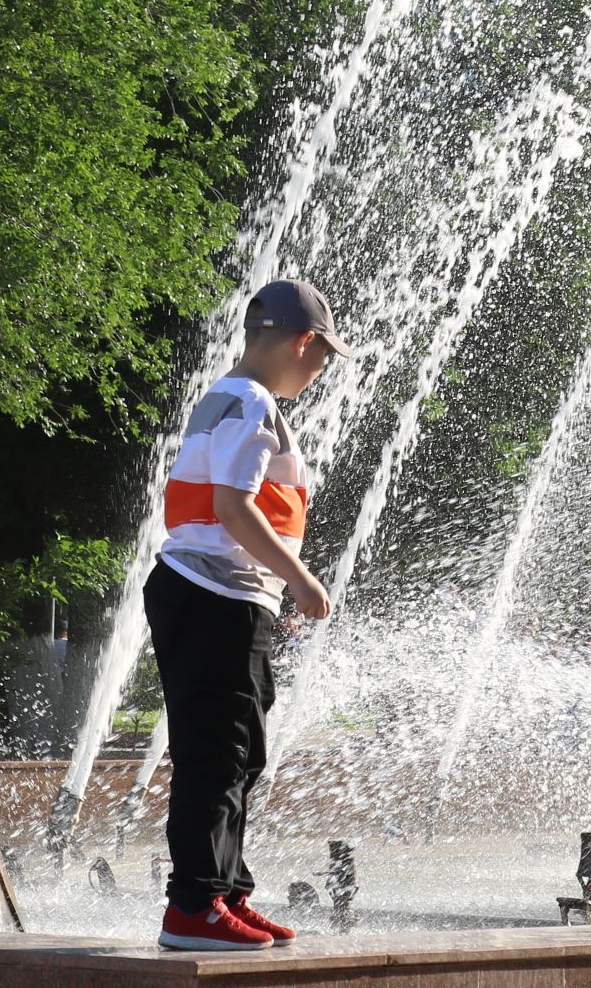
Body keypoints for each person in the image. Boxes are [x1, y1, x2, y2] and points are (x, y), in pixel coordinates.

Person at [145, 278, 344, 952]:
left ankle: (225, 892)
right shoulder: (250, 403)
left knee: (238, 752)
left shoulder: (230, 397)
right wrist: (301, 580)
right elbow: (235, 506)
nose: (319, 372)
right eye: (322, 357)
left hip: (220, 596)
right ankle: (193, 907)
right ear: (302, 342)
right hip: (213, 597)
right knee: (216, 753)